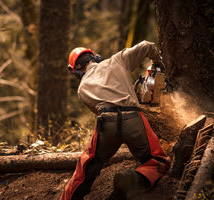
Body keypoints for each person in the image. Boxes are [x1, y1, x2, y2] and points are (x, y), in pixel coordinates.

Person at [61, 41, 170, 200]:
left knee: (89, 164)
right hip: (133, 118)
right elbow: (147, 45)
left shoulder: (82, 89)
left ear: (75, 70)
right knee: (157, 160)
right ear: (94, 56)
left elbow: (99, 110)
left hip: (107, 124)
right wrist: (158, 62)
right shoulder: (117, 60)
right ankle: (134, 178)